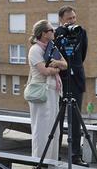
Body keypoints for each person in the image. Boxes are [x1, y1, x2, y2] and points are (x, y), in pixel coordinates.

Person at [27, 20, 67, 161]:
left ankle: (51, 161)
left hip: (53, 91)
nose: (54, 32)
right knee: (41, 130)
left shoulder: (51, 47)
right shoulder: (35, 50)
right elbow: (44, 70)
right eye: (51, 30)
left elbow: (65, 64)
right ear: (44, 33)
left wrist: (56, 64)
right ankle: (39, 163)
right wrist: (57, 68)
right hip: (41, 92)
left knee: (54, 129)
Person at [57, 6, 88, 165]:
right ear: (61, 20)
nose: (73, 21)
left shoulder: (81, 32)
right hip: (60, 81)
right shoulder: (55, 34)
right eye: (69, 19)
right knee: (58, 118)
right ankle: (54, 153)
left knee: (75, 119)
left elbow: (81, 55)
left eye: (74, 18)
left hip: (76, 80)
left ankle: (76, 155)